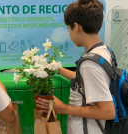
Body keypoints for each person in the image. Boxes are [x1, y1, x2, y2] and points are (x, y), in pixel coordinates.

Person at [36, 0, 115, 133]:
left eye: (68, 28)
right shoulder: (104, 51)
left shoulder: (89, 65)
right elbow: (88, 81)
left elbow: (107, 111)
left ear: (77, 27)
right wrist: (59, 69)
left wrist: (63, 108)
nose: (69, 33)